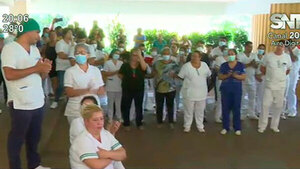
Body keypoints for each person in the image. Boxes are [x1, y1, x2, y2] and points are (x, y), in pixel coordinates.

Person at [1, 18, 52, 169]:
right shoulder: (10, 49)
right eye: (37, 32)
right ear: (28, 31)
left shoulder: (35, 49)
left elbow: (39, 76)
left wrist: (45, 70)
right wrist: (37, 69)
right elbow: (9, 74)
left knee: (34, 137)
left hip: (37, 100)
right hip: (21, 102)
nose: (39, 36)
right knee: (17, 138)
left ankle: (34, 165)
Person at [70, 104, 127, 169]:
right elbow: (97, 165)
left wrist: (107, 154)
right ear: (86, 122)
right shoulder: (81, 141)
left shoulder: (106, 134)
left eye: (101, 119)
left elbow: (123, 154)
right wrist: (114, 156)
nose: (100, 123)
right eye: (95, 120)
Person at [64, 43, 105, 124]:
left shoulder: (95, 70)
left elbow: (101, 90)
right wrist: (87, 90)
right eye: (77, 53)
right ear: (74, 55)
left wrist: (100, 91)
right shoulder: (70, 71)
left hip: (94, 108)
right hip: (76, 110)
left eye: (83, 53)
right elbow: (69, 92)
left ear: (88, 55)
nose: (80, 55)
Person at [258, 40, 292, 133]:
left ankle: (274, 125)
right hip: (269, 85)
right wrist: (270, 76)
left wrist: (280, 77)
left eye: (282, 46)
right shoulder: (268, 56)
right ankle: (262, 126)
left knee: (278, 106)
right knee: (265, 105)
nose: (279, 47)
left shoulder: (287, 57)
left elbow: (288, 70)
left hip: (281, 85)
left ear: (284, 47)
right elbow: (262, 67)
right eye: (278, 45)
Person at [178, 51, 211, 133]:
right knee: (188, 111)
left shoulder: (204, 65)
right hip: (189, 93)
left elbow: (208, 75)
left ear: (200, 57)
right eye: (192, 56)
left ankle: (200, 126)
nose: (194, 58)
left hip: (202, 92)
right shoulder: (186, 66)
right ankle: (187, 126)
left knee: (200, 111)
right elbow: (181, 77)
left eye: (196, 56)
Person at [218, 49, 246, 136]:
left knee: (236, 109)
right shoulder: (224, 65)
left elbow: (243, 77)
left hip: (236, 90)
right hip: (225, 90)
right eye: (229, 54)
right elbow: (220, 76)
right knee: (225, 109)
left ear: (236, 55)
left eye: (232, 54)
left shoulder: (240, 65)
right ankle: (225, 127)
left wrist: (235, 76)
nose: (230, 55)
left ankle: (237, 128)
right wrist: (227, 75)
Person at [151, 47, 180, 129]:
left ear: (170, 55)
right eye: (164, 54)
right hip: (159, 88)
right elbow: (153, 73)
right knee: (159, 106)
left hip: (171, 88)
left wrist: (175, 75)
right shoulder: (156, 63)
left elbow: (179, 74)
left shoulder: (174, 64)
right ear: (161, 54)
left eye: (168, 54)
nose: (166, 55)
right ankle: (159, 121)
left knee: (170, 105)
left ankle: (171, 121)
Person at [118, 48, 147, 130]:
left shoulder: (142, 65)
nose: (135, 57)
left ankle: (139, 123)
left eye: (137, 55)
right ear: (130, 55)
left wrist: (140, 57)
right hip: (127, 89)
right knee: (126, 106)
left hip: (139, 89)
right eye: (134, 55)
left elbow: (145, 69)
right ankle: (126, 123)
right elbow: (120, 75)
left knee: (139, 106)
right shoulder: (125, 65)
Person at [50, 28, 74, 109]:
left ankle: (69, 101)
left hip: (71, 67)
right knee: (61, 84)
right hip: (62, 67)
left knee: (71, 85)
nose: (70, 35)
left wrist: (73, 43)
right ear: (64, 34)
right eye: (69, 33)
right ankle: (56, 101)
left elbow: (76, 52)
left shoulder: (72, 43)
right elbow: (61, 55)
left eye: (71, 33)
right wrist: (71, 57)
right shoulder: (60, 43)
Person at [237, 41, 259, 120]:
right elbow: (239, 66)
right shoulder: (240, 55)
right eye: (249, 46)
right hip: (242, 80)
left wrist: (254, 64)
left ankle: (252, 113)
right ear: (245, 47)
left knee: (252, 98)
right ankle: (242, 114)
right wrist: (250, 64)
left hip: (252, 79)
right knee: (242, 98)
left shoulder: (254, 55)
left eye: (251, 47)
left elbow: (257, 65)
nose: (250, 48)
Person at [103, 49, 123, 122]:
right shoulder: (108, 63)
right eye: (115, 53)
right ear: (112, 54)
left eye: (118, 54)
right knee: (110, 102)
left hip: (119, 84)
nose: (117, 55)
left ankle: (119, 116)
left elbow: (122, 73)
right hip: (110, 84)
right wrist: (115, 72)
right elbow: (105, 73)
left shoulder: (121, 63)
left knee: (118, 102)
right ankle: (110, 117)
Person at [214, 46, 228, 123]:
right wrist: (226, 71)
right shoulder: (219, 59)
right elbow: (216, 69)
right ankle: (217, 116)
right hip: (220, 80)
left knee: (227, 99)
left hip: (229, 81)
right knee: (220, 98)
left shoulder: (230, 59)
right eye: (225, 50)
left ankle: (224, 115)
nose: (226, 51)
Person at [42, 31, 58, 99]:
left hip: (57, 63)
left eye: (54, 35)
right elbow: (44, 54)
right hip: (50, 64)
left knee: (58, 80)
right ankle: (55, 94)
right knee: (53, 80)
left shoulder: (58, 44)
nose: (52, 36)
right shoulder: (47, 45)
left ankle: (58, 93)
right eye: (51, 35)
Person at [286, 43, 300, 117]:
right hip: (287, 73)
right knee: (287, 91)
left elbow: (294, 59)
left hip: (294, 74)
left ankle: (293, 110)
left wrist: (290, 50)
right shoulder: (287, 51)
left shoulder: (297, 50)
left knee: (291, 90)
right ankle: (288, 108)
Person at [254, 44, 266, 116]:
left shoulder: (265, 58)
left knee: (260, 95)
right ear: (257, 49)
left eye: (263, 49)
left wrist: (260, 75)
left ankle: (259, 111)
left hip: (262, 77)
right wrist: (256, 75)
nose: (261, 50)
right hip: (254, 77)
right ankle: (252, 111)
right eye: (260, 48)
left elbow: (267, 68)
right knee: (253, 95)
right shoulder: (253, 56)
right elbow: (252, 67)